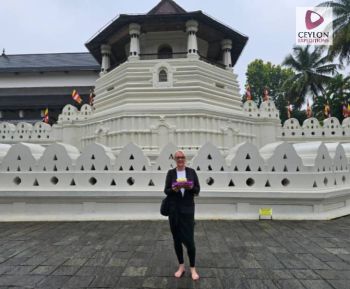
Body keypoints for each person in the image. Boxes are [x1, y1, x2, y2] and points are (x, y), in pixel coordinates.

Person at [163, 150, 200, 280]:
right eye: (178, 158)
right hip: (174, 212)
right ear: (174, 159)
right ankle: (181, 266)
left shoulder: (191, 172)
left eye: (182, 157)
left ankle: (193, 268)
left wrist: (189, 187)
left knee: (190, 241)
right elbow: (166, 191)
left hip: (188, 211)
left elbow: (197, 190)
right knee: (177, 240)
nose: (180, 160)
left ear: (185, 159)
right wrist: (174, 188)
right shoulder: (171, 173)